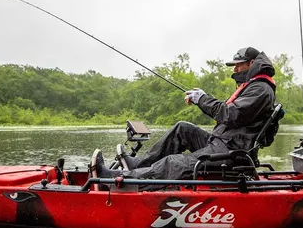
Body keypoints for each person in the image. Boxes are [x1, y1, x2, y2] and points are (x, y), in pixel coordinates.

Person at [89, 46, 277, 181]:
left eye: (239, 65)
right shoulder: (254, 87)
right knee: (182, 128)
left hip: (231, 152)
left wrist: (202, 98)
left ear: (252, 64)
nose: (235, 70)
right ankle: (137, 166)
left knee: (173, 162)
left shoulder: (260, 89)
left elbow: (230, 115)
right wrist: (200, 98)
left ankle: (117, 177)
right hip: (224, 143)